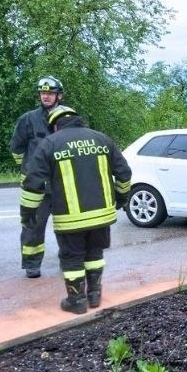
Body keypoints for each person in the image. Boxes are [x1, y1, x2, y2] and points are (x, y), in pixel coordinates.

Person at [19, 105, 132, 314]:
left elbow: (33, 184)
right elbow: (124, 173)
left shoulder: (50, 143)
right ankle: (95, 295)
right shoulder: (101, 139)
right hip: (101, 216)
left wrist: (27, 213)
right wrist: (122, 197)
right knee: (95, 253)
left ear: (55, 125)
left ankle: (76, 300)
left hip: (70, 218)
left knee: (72, 258)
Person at [9, 76, 64, 278]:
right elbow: (16, 149)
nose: (46, 96)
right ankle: (32, 264)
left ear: (59, 96)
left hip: (62, 183)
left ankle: (69, 260)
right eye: (43, 93)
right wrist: (30, 169)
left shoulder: (67, 119)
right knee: (33, 226)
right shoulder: (28, 119)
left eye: (50, 93)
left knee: (68, 226)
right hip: (36, 187)